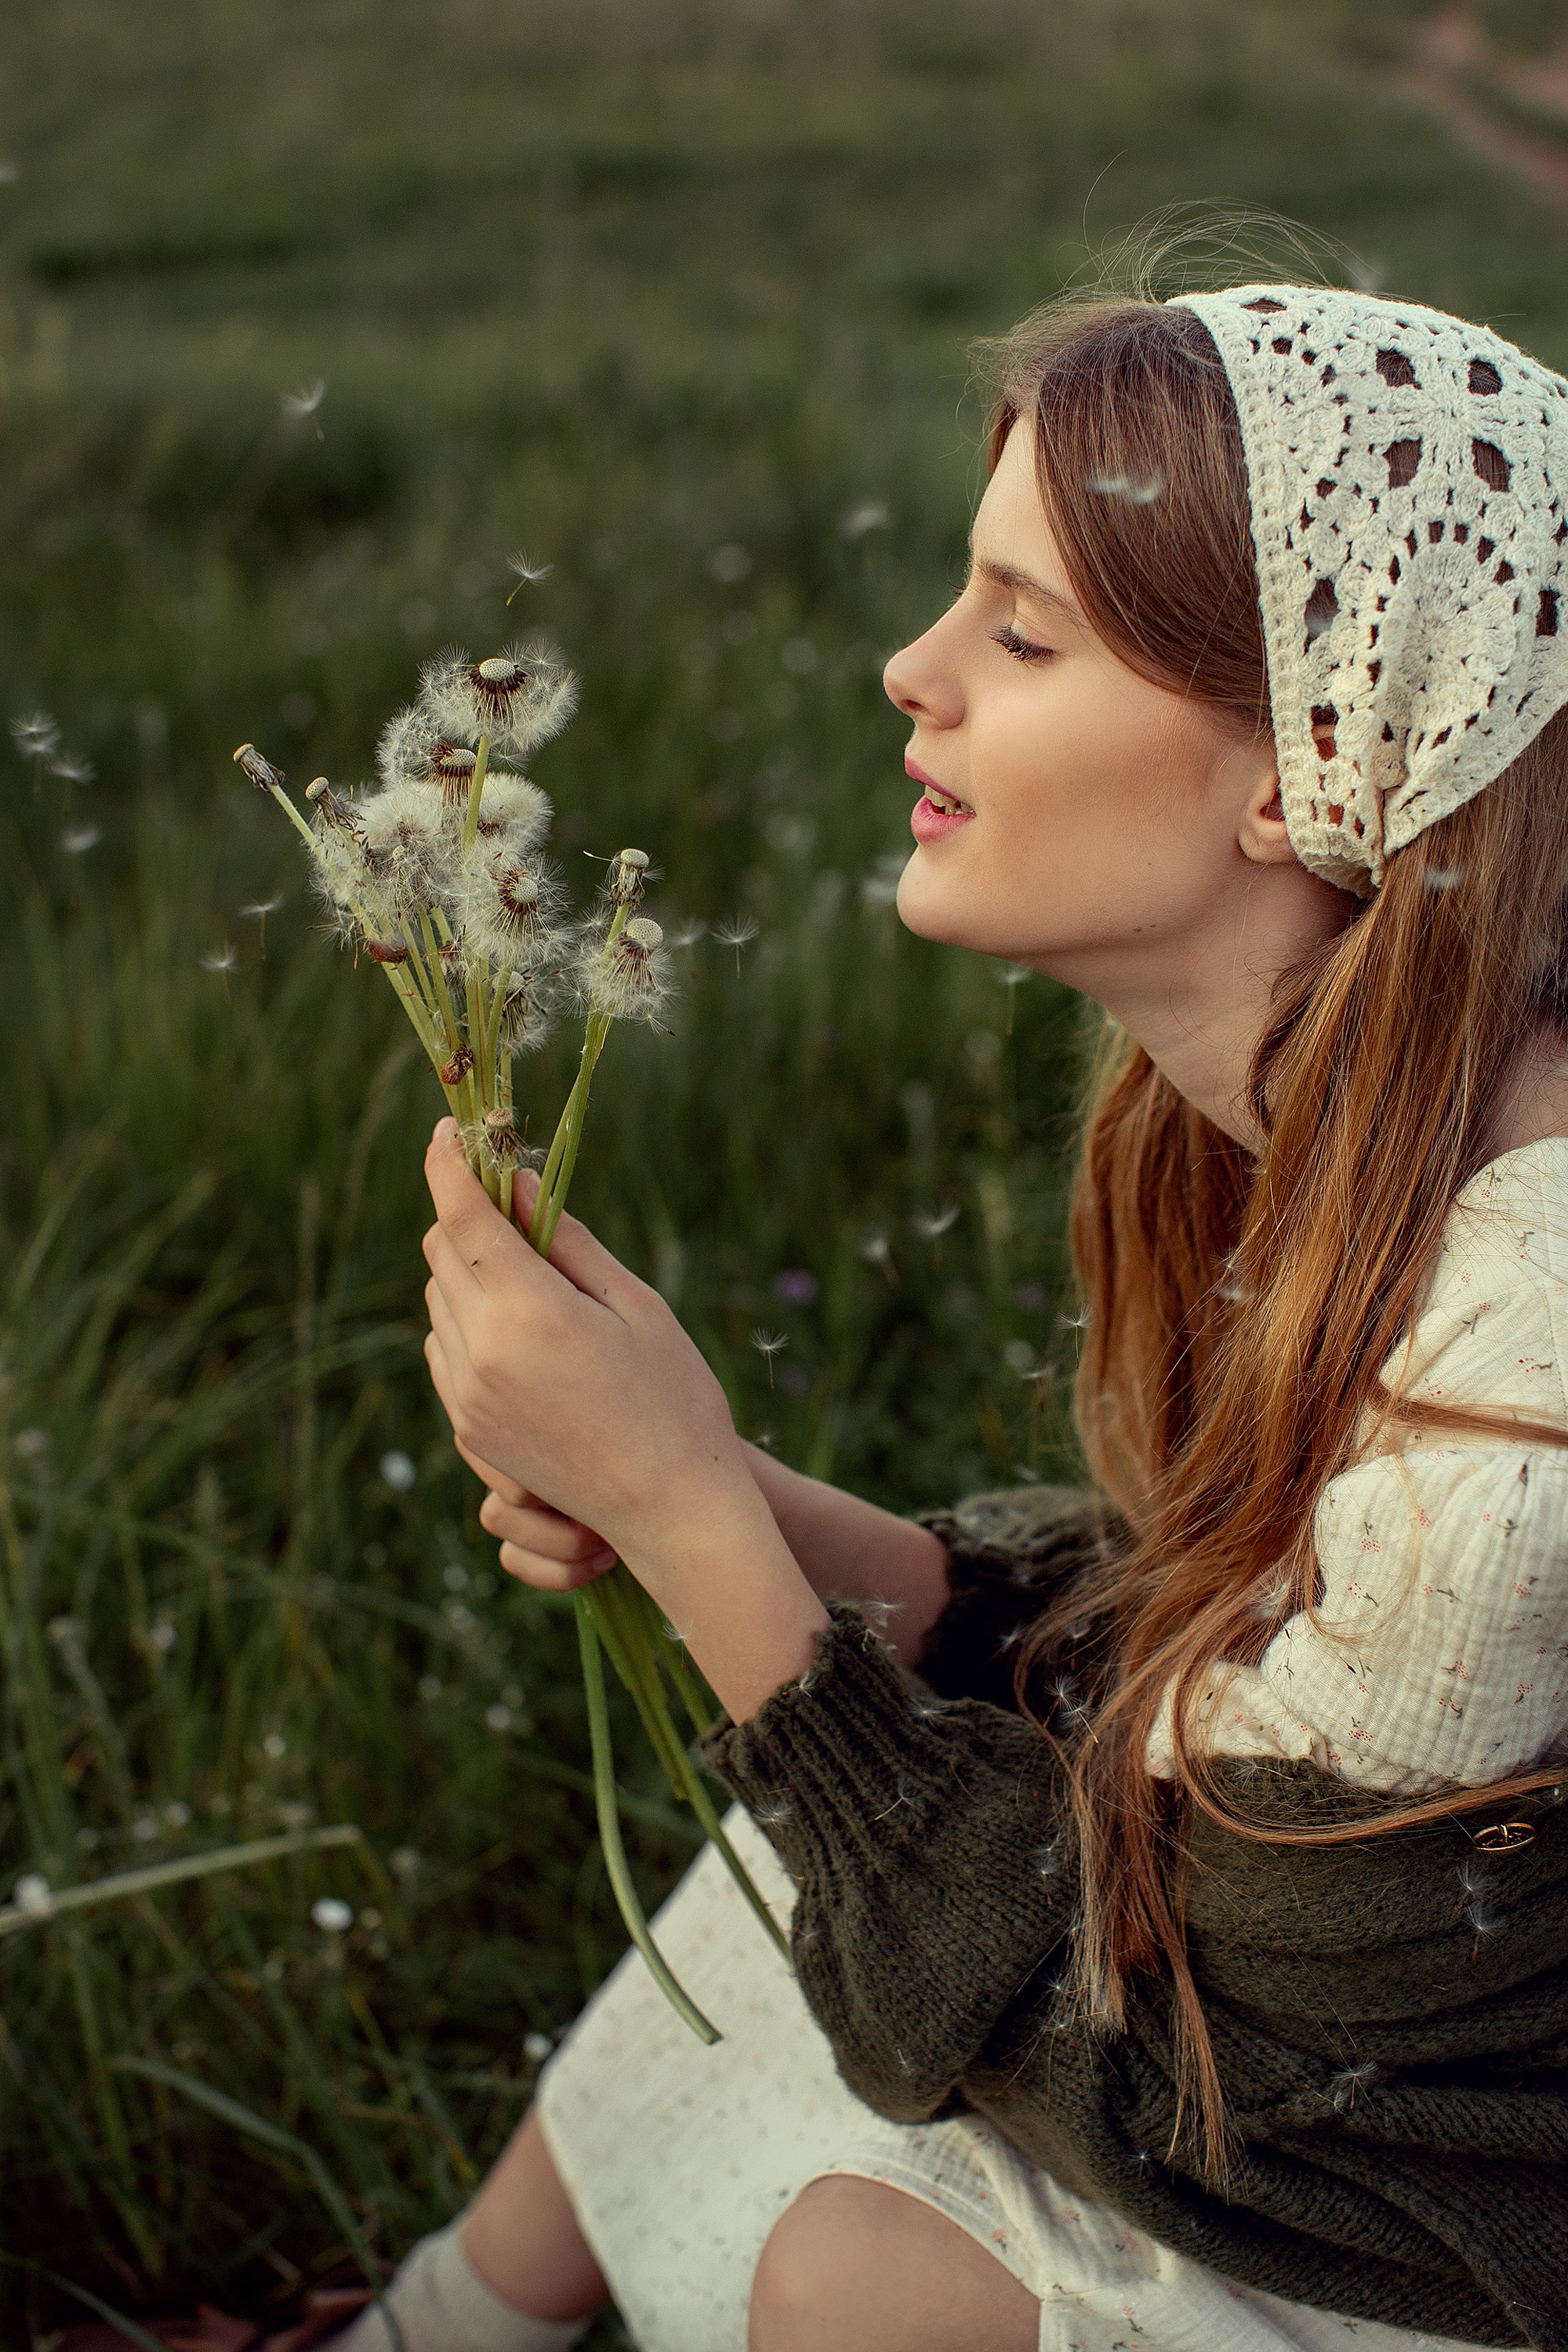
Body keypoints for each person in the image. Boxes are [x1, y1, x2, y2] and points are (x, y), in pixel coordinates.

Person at [155, 270, 1568, 2352]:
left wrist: (708, 1546)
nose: (912, 671)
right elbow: (1213, 1683)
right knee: (790, 1890)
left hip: (1436, 2218)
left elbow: (1213, 2079)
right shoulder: (1360, 1133)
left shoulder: (1526, 1401)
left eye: (1020, 631)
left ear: (1315, 761)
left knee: (863, 2275)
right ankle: (431, 2329)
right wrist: (706, 1493)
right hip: (1347, 2093)